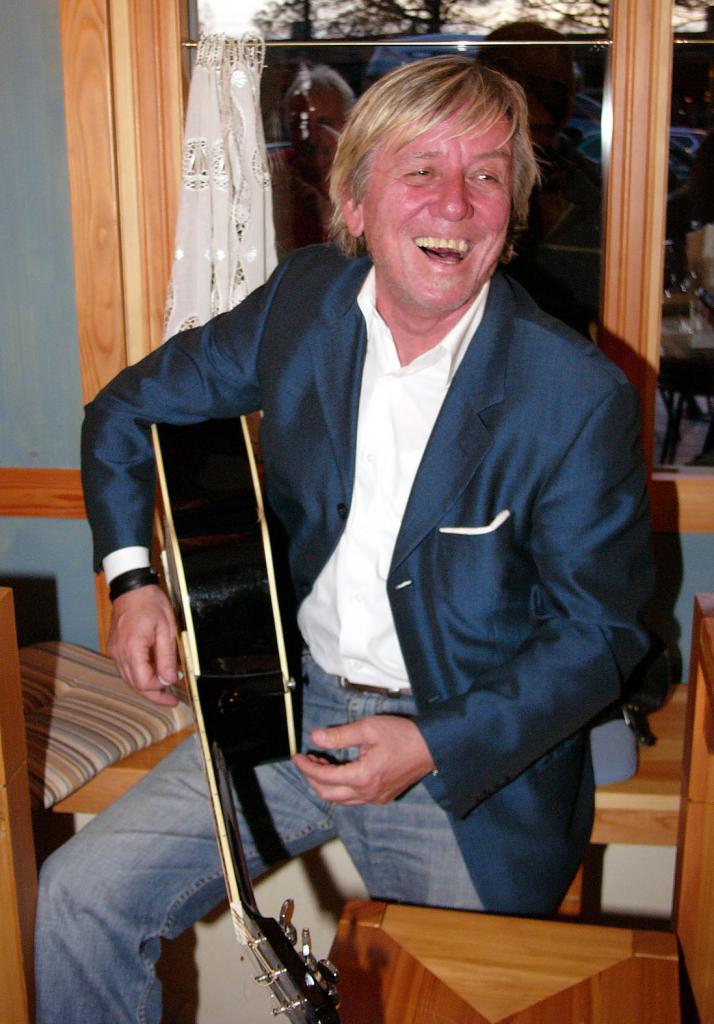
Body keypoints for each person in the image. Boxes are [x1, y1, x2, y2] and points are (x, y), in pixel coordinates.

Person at [36, 56, 653, 1023]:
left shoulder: (575, 395)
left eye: (487, 175)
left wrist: (429, 743)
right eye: (421, 171)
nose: (455, 204)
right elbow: (124, 410)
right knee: (78, 902)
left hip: (458, 759)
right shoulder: (303, 303)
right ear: (355, 203)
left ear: (513, 209)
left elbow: (600, 637)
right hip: (287, 711)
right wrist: (131, 580)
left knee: (438, 1002)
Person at [478, 21, 603, 338]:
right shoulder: (460, 194)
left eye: (556, 89)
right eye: (524, 86)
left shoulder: (599, 189)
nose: (538, 106)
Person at [269, 63, 355, 258]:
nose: (310, 136)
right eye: (300, 125)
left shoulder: (365, 174)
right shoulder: (275, 172)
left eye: (323, 123)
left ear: (347, 124)